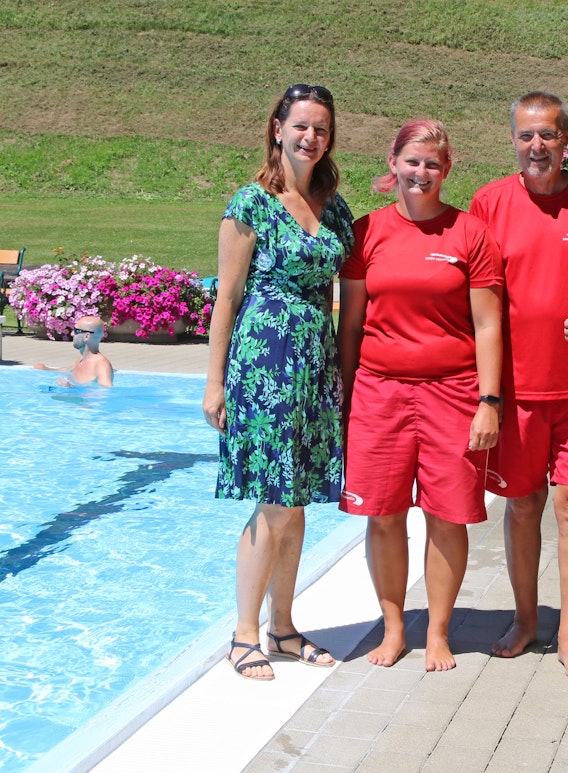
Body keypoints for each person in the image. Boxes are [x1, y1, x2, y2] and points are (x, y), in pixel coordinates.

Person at [470, 91, 568, 682]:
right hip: (514, 389)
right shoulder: (489, 203)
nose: (538, 146)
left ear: (567, 140)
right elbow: (473, 294)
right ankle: (526, 619)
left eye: (549, 135)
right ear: (513, 139)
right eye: (527, 135)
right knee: (523, 505)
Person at [338, 119, 503, 672]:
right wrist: (344, 393)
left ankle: (437, 631)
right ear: (394, 163)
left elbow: (487, 325)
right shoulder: (367, 232)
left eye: (432, 164)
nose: (421, 172)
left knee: (445, 515)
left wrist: (489, 400)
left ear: (446, 169)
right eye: (412, 161)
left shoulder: (470, 234)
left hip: (453, 394)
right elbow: (353, 325)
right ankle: (391, 629)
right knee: (381, 515)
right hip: (379, 393)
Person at [201, 83, 353, 681]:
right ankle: (244, 635)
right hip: (265, 363)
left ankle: (284, 627)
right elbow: (227, 298)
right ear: (277, 128)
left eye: (321, 128)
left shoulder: (334, 205)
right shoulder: (251, 202)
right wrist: (214, 383)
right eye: (301, 126)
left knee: (298, 501)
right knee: (275, 501)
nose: (310, 137)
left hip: (314, 366)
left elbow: (341, 291)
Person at [34, 315, 114, 387]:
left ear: (87, 336)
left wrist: (72, 389)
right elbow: (66, 370)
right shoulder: (81, 359)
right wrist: (46, 368)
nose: (72, 334)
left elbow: (107, 393)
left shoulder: (101, 365)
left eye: (76, 331)